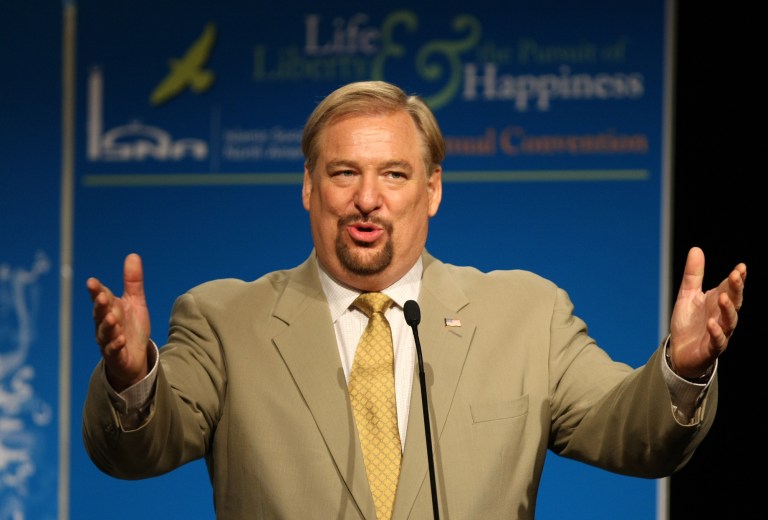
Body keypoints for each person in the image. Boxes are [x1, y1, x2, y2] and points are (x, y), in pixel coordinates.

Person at [82, 80, 747, 520]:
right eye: (344, 172)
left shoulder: (526, 315)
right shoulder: (223, 321)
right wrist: (134, 376)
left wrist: (680, 372)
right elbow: (137, 450)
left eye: (393, 174)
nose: (367, 198)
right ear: (309, 187)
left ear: (431, 190)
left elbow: (633, 437)